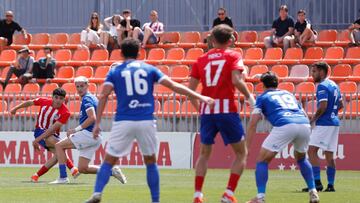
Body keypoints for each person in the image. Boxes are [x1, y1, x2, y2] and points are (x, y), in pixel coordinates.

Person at [85, 38, 214, 203]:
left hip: (123, 120)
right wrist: (200, 96)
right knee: (151, 162)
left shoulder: (115, 72)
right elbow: (175, 86)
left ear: (121, 53)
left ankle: (97, 193)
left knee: (109, 161)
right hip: (146, 120)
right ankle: (155, 200)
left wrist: (97, 124)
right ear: (139, 53)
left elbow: (103, 95)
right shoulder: (148, 69)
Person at [189, 24, 255, 203]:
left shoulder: (200, 60)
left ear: (213, 39)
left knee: (204, 154)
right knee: (241, 153)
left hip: (207, 111)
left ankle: (197, 195)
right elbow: (236, 80)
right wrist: (250, 97)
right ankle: (228, 193)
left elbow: (191, 91)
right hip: (227, 110)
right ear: (230, 39)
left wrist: (201, 110)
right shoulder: (234, 55)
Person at [245, 71, 319, 203]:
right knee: (301, 158)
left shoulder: (263, 97)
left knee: (262, 160)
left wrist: (246, 147)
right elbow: (304, 113)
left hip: (284, 124)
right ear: (277, 83)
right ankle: (313, 190)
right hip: (304, 124)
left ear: (262, 85)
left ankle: (260, 197)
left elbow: (253, 124)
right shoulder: (288, 94)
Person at [50, 76, 126, 184]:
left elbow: (92, 117)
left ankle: (63, 177)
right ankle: (111, 172)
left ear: (87, 85)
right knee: (82, 168)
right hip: (96, 136)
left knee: (58, 146)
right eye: (77, 87)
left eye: (82, 86)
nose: (80, 89)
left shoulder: (87, 99)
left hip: (89, 134)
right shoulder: (92, 97)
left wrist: (75, 130)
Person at [9, 88, 79, 182]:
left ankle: (36, 175)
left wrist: (37, 140)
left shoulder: (65, 112)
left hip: (52, 134)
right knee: (60, 146)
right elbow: (30, 102)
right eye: (56, 97)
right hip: (40, 131)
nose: (58, 100)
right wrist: (15, 108)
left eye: (61, 98)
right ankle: (71, 169)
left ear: (64, 100)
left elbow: (52, 129)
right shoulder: (44, 101)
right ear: (52, 97)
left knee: (58, 156)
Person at [301, 62, 343, 193]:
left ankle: (317, 183)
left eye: (314, 71)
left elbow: (323, 106)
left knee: (311, 150)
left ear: (322, 72)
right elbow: (340, 104)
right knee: (329, 154)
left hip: (324, 123)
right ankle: (330, 185)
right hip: (334, 123)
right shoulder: (334, 85)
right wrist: (332, 114)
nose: (312, 75)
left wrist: (313, 119)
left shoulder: (322, 86)